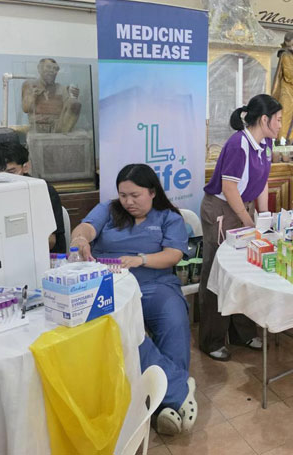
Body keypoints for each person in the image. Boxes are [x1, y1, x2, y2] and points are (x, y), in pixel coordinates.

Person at [70, 164, 196, 436]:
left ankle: (163, 403)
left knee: (174, 321)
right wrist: (81, 238)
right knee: (124, 328)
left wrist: (141, 260)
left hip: (156, 284)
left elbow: (173, 254)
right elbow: (86, 227)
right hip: (113, 286)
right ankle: (178, 391)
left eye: (135, 195)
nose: (127, 202)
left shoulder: (168, 217)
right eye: (123, 195)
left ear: (152, 192)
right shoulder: (108, 209)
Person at [199, 94, 282, 362]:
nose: (281, 125)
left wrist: (264, 216)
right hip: (222, 211)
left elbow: (263, 180)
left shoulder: (266, 142)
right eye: (278, 120)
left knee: (246, 271)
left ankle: (242, 332)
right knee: (218, 273)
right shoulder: (238, 144)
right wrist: (248, 223)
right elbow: (229, 187)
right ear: (264, 119)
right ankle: (211, 339)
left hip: (242, 208)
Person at [0, 141, 66, 254]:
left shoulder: (43, 191)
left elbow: (50, 241)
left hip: (42, 256)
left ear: (26, 167)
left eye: (11, 172)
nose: (4, 178)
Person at [22, 57, 81, 133]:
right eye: (48, 67)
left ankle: (63, 136)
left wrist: (73, 96)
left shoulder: (61, 88)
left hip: (58, 127)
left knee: (75, 103)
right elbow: (26, 108)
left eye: (55, 69)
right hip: (38, 127)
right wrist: (33, 96)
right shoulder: (30, 85)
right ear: (39, 68)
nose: (52, 71)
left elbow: (72, 106)